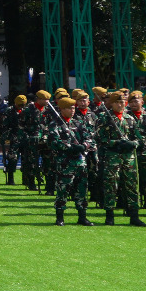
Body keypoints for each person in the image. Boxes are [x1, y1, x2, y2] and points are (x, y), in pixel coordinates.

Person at [95, 90, 144, 226]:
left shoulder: (130, 118)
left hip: (129, 157)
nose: (120, 104)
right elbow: (99, 137)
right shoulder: (104, 118)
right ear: (112, 103)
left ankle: (134, 215)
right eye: (117, 102)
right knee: (111, 185)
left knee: (132, 185)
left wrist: (133, 143)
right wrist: (114, 142)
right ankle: (109, 215)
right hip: (112, 156)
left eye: (122, 102)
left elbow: (139, 137)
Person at [50, 96, 96, 226]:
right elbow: (55, 141)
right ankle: (60, 217)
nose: (72, 110)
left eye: (73, 108)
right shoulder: (55, 124)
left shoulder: (78, 123)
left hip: (80, 162)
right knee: (63, 190)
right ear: (62, 109)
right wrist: (70, 147)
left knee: (82, 190)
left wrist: (84, 146)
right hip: (65, 163)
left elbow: (89, 137)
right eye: (69, 108)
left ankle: (82, 216)